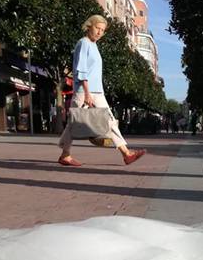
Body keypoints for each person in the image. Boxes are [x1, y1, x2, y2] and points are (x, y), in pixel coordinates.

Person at [58, 15, 145, 166]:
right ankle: (65, 155)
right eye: (97, 28)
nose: (99, 32)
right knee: (74, 123)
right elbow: (82, 69)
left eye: (102, 30)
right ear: (89, 26)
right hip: (85, 91)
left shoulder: (94, 46)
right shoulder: (83, 43)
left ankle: (126, 153)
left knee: (110, 121)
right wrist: (86, 93)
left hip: (97, 91)